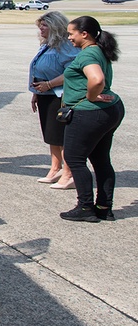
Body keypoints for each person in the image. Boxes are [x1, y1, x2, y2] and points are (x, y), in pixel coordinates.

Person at [58, 15, 124, 223]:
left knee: (75, 158)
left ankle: (85, 207)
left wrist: (90, 96)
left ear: (84, 34)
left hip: (89, 113)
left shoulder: (87, 55)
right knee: (101, 160)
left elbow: (97, 79)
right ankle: (104, 207)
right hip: (110, 110)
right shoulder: (98, 50)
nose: (69, 37)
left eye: (71, 33)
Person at [28, 11, 76, 187]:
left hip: (59, 96)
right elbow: (39, 70)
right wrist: (36, 93)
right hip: (45, 95)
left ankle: (69, 174)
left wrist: (49, 84)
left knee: (61, 137)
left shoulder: (65, 46)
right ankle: (55, 169)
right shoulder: (48, 45)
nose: (41, 28)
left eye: (45, 25)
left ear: (55, 26)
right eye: (40, 25)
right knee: (50, 136)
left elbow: (71, 72)